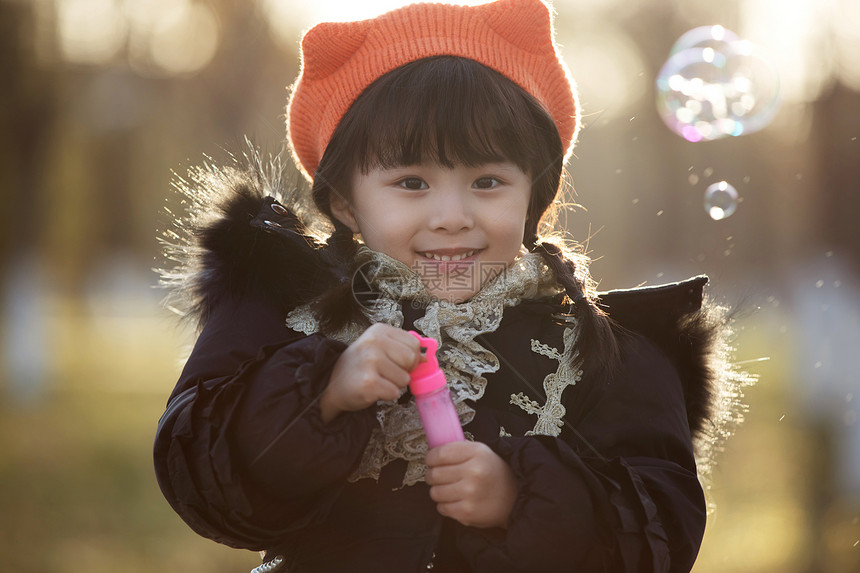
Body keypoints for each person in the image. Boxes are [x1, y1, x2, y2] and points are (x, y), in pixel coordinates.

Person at [154, 0, 745, 571]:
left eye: (487, 181)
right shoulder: (289, 319)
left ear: (533, 198)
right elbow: (204, 484)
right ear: (345, 203)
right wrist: (322, 393)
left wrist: (521, 497)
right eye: (411, 182)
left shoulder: (603, 355)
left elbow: (662, 532)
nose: (452, 215)